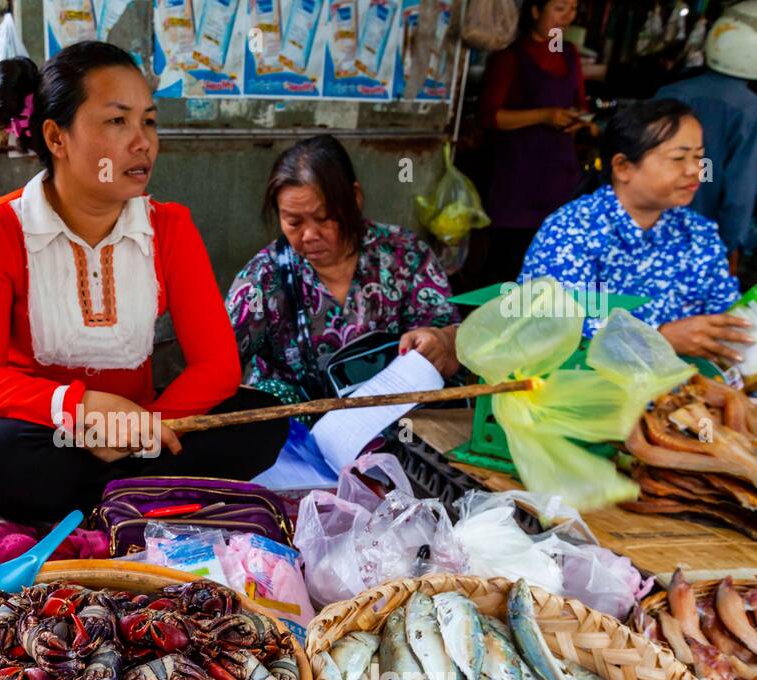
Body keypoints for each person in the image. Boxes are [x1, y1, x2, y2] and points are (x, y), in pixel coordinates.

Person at [0, 41, 287, 523]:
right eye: (117, 121)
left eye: (148, 121)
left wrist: (148, 425)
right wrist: (82, 407)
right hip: (52, 435)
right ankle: (146, 494)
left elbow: (216, 366)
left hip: (147, 430)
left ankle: (113, 494)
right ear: (56, 137)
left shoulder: (169, 227)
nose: (142, 142)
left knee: (263, 420)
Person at [226, 135, 459, 407]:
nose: (310, 235)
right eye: (293, 222)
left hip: (391, 417)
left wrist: (441, 340)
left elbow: (451, 332)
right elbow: (217, 359)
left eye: (324, 218)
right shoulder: (263, 279)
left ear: (355, 197)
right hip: (298, 431)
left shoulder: (404, 254)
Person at [520, 99, 746, 364]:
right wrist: (660, 338)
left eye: (698, 157)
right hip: (591, 398)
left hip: (685, 398)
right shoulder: (570, 233)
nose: (693, 170)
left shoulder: (698, 233)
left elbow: (728, 325)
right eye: (678, 158)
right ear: (623, 167)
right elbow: (553, 336)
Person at [477, 0, 596, 284]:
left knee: (549, 269)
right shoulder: (510, 56)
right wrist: (544, 116)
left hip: (558, 178)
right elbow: (490, 117)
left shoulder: (569, 54)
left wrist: (581, 120)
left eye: (573, 10)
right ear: (535, 11)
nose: (567, 18)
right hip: (516, 180)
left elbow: (579, 103)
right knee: (506, 264)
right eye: (559, 8)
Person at [656, 2, 757, 269]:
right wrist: (730, 244)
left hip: (648, 229)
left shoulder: (670, 92)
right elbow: (739, 194)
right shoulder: (749, 112)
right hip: (703, 245)